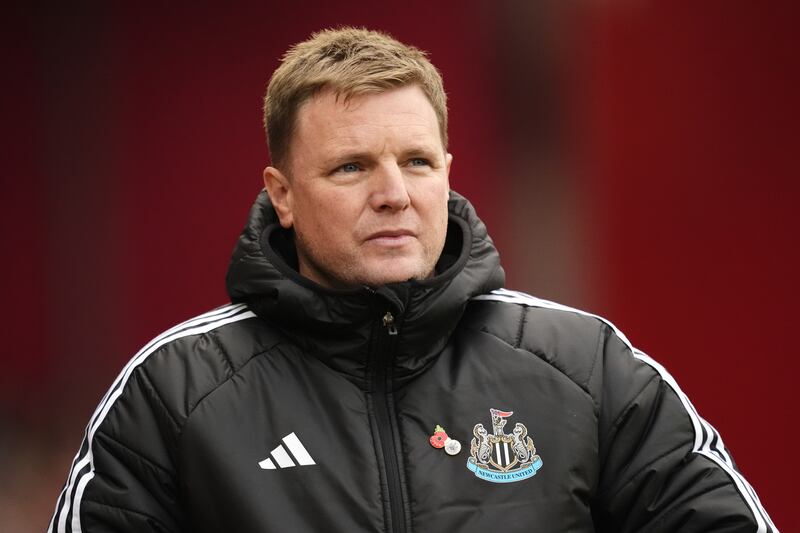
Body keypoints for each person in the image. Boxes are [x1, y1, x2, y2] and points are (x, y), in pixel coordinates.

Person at [48, 27, 776, 533]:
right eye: (352, 167)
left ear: (448, 174)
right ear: (283, 194)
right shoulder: (174, 393)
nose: (394, 194)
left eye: (417, 162)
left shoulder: (587, 366)